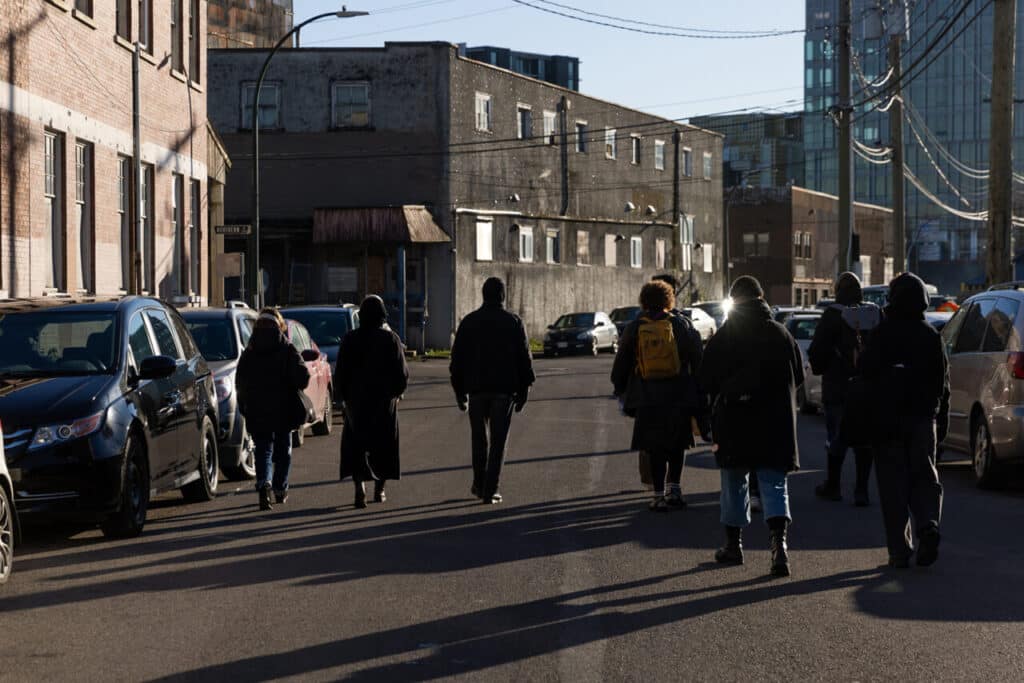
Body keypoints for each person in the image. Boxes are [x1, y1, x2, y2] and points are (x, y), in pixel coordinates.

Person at [700, 276, 804, 577]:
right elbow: (796, 377)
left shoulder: (724, 336)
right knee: (774, 483)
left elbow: (706, 380)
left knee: (734, 483)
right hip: (776, 421)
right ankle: (779, 549)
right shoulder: (782, 334)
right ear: (761, 298)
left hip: (735, 420)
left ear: (734, 301)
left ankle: (733, 546)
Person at [858, 272, 949, 568]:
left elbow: (865, 374)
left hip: (887, 421)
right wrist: (940, 420)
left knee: (892, 484)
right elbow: (942, 385)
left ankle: (899, 550)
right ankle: (928, 525)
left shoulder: (882, 334)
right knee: (924, 477)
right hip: (923, 419)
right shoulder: (931, 336)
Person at [612, 280, 705, 511]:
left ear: (644, 300)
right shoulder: (681, 324)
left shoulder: (635, 327)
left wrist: (621, 387)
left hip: (647, 396)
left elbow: (621, 362)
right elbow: (698, 358)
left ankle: (657, 494)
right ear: (668, 299)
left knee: (653, 446)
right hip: (678, 393)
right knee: (677, 443)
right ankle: (674, 488)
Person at [450, 277, 535, 504]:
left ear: (483, 294)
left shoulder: (468, 322)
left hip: (476, 391)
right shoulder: (514, 322)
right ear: (502, 296)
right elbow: (524, 358)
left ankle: (479, 483)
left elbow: (457, 360)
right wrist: (525, 389)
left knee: (479, 440)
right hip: (504, 390)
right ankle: (492, 488)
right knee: (498, 441)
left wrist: (459, 391)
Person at [808, 271, 882, 506]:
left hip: (838, 388)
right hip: (869, 389)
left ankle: (833, 486)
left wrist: (825, 365)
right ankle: (861, 491)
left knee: (837, 438)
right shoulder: (875, 313)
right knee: (865, 441)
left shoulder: (832, 316)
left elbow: (817, 352)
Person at [338, 295, 410, 509]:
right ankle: (380, 488)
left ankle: (359, 487)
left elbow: (341, 372)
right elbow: (402, 373)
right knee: (384, 445)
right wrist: (397, 393)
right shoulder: (390, 339)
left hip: (356, 401)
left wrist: (342, 399)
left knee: (356, 444)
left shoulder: (350, 339)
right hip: (383, 401)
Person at [236, 308, 311, 511]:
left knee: (263, 449)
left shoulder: (250, 352)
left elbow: (240, 382)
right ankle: (279, 488)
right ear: (279, 325)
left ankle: (263, 483)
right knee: (283, 450)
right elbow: (303, 377)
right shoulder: (286, 348)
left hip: (258, 409)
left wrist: (245, 405)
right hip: (283, 409)